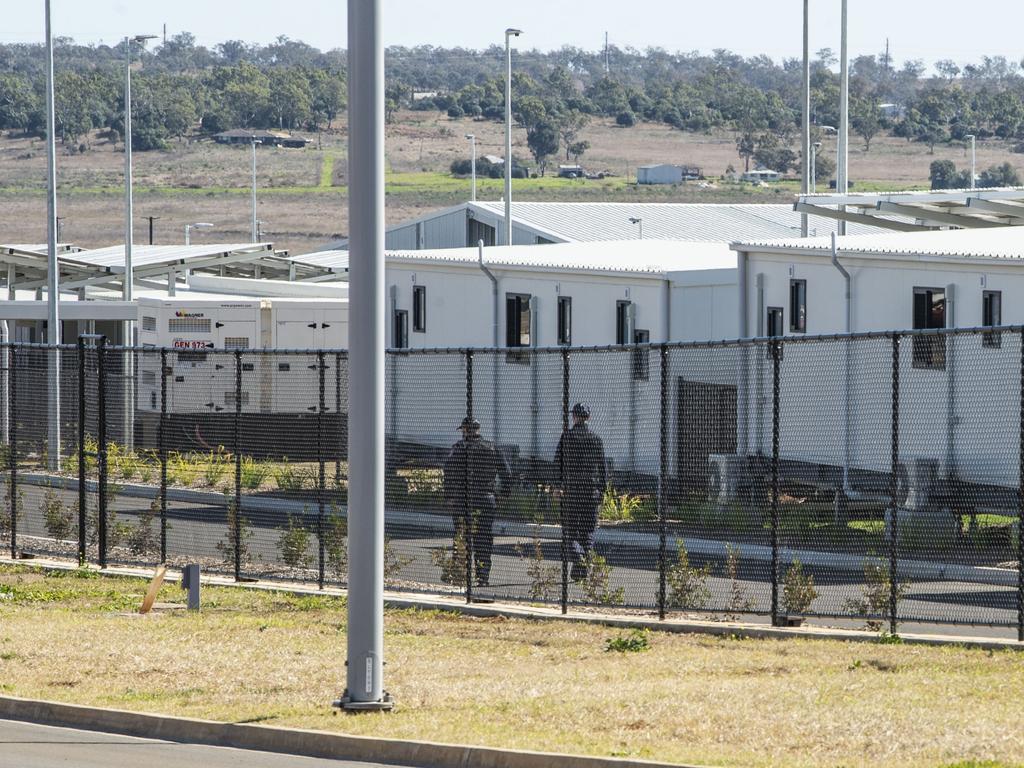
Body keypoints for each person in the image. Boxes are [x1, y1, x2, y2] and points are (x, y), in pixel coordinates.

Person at [442, 416, 512, 587]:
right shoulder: (492, 448)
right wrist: (503, 494)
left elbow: (448, 473)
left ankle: (459, 576)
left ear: (465, 430)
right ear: (478, 430)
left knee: (461, 536)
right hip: (485, 497)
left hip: (462, 498)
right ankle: (482, 577)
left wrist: (449, 496)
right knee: (483, 539)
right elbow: (507, 474)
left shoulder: (458, 449)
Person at [553, 403, 607, 581]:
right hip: (591, 490)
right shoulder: (596, 439)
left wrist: (557, 486)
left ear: (574, 417)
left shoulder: (567, 437)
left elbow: (558, 464)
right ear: (588, 417)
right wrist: (601, 490)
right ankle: (580, 571)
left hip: (572, 490)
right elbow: (603, 468)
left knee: (570, 531)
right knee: (588, 531)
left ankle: (579, 558)